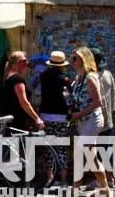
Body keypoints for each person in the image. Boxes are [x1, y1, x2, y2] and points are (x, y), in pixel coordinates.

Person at [71, 47, 109, 193]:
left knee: (80, 154)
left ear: (83, 59)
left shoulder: (90, 78)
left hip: (92, 120)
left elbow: (97, 102)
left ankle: (74, 191)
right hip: (82, 121)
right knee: (91, 157)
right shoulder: (78, 78)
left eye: (75, 58)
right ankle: (105, 187)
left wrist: (78, 114)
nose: (72, 61)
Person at [39, 51, 71, 185]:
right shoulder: (65, 79)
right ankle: (63, 179)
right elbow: (68, 98)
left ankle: (50, 178)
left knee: (48, 147)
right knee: (61, 147)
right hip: (61, 117)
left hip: (45, 115)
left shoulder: (43, 76)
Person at [2, 51, 44, 132]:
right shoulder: (17, 79)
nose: (26, 63)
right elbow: (23, 102)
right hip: (18, 121)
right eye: (24, 61)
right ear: (15, 63)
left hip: (11, 120)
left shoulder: (8, 77)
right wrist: (37, 119)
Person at [92, 48, 115, 136]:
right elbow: (113, 97)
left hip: (94, 125)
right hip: (108, 123)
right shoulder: (108, 74)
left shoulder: (90, 78)